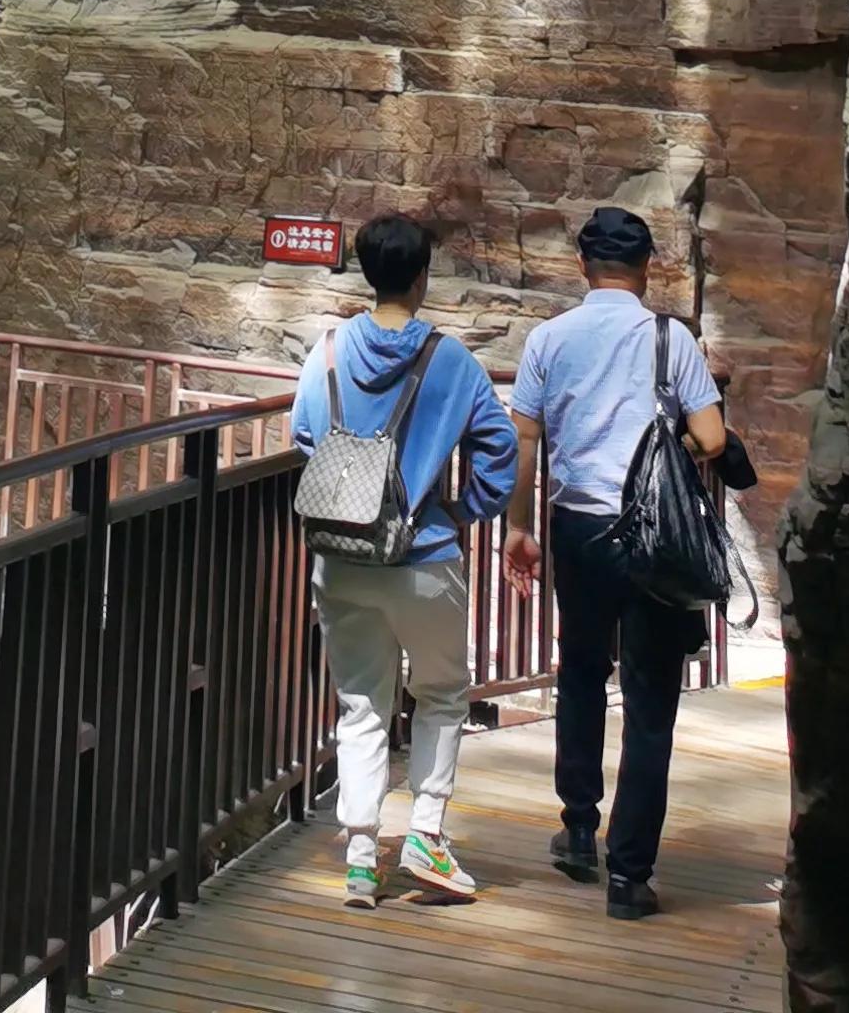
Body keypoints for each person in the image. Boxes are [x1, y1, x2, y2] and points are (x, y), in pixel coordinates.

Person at [504, 205, 727, 921]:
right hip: (654, 534)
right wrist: (668, 459)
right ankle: (631, 877)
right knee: (652, 700)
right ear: (648, 268)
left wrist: (518, 526)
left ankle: (577, 829)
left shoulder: (549, 339)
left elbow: (526, 441)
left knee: (580, 674)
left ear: (581, 265)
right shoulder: (674, 339)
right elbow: (713, 437)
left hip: (580, 528)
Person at [290, 211, 517, 911]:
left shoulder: (326, 352)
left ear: (367, 271)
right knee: (443, 694)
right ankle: (425, 834)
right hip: (424, 557)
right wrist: (458, 511)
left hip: (343, 558)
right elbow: (500, 453)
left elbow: (304, 440)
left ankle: (361, 860)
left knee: (361, 704)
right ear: (421, 277)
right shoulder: (450, 362)